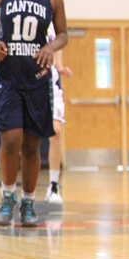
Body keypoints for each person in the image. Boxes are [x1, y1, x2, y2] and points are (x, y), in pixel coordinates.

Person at [0, 0, 68, 228]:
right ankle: (7, 196)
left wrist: (52, 46)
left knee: (32, 146)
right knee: (11, 140)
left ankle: (28, 202)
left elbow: (63, 34)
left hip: (38, 79)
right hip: (8, 77)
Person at [45, 24, 73, 204]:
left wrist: (60, 67)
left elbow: (57, 45)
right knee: (22, 137)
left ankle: (53, 186)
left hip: (51, 85)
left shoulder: (51, 22)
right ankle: (11, 186)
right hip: (28, 82)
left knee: (56, 132)